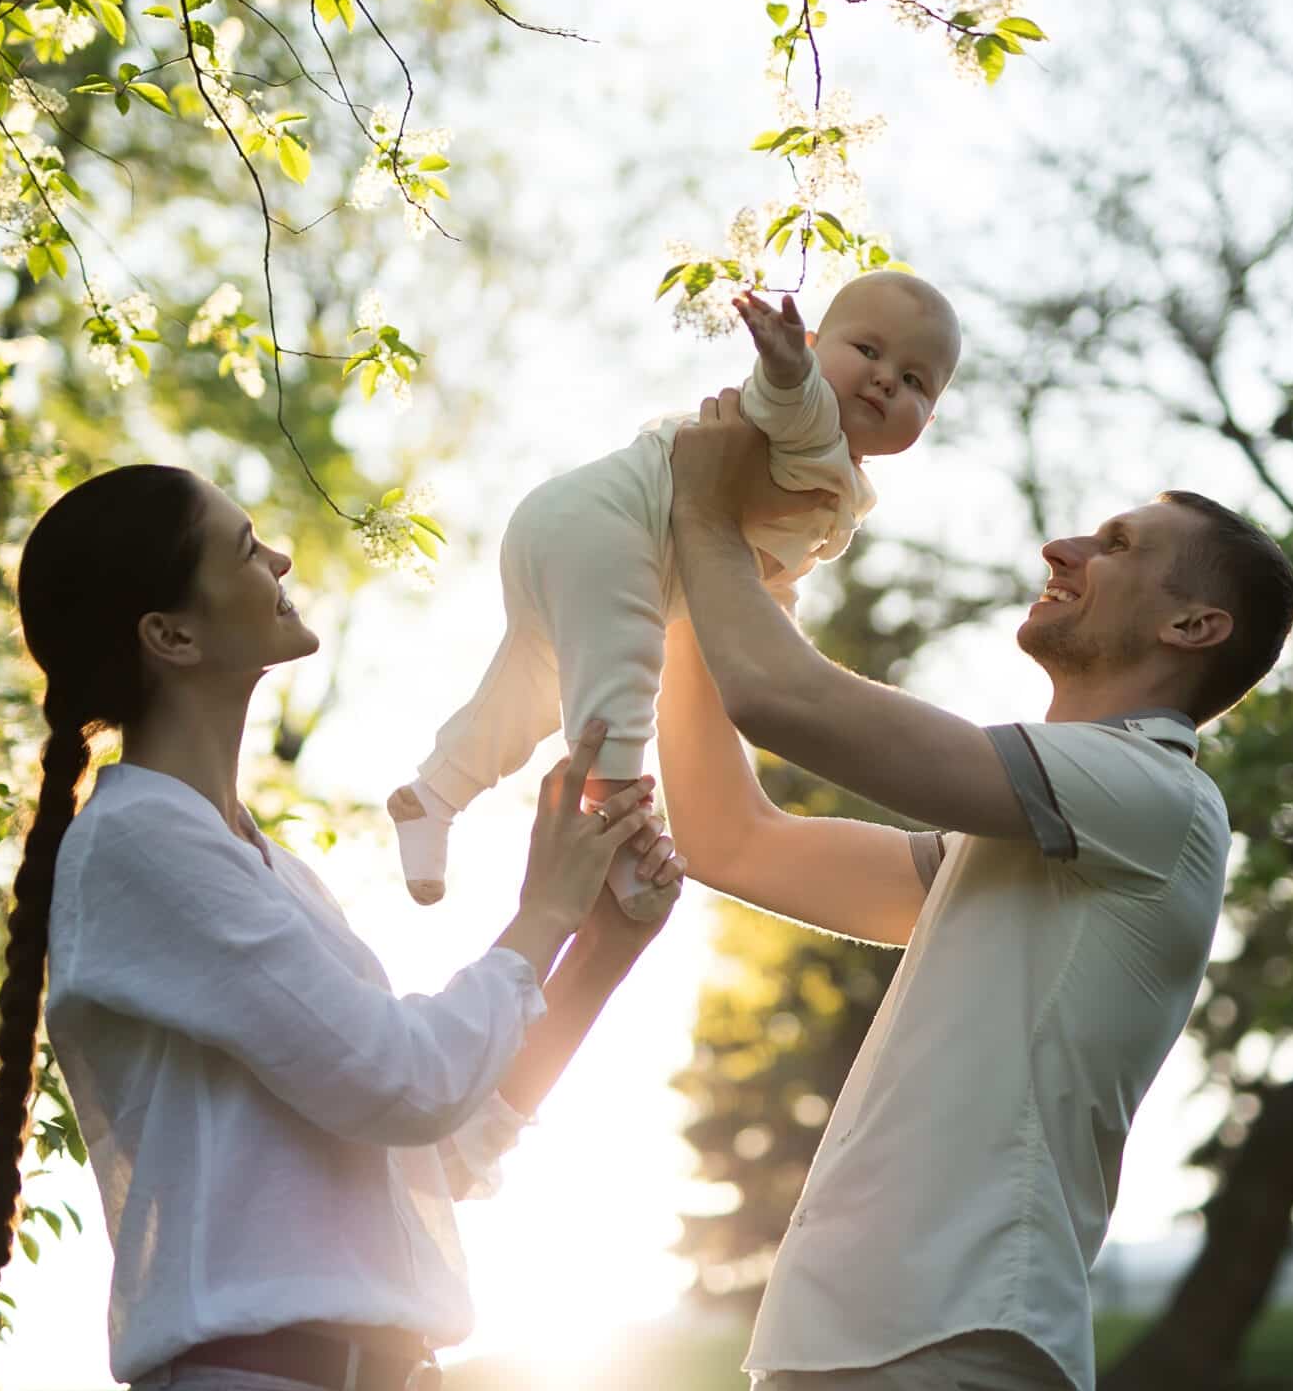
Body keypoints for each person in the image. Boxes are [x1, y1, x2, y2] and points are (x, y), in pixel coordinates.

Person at [0, 463, 685, 1391]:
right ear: (170, 635)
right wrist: (542, 911)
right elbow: (398, 1079)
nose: (280, 561)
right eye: (244, 545)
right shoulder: (138, 849)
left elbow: (433, 1144)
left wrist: (602, 947)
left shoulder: (254, 864)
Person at [658, 391, 1293, 1391]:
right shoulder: (997, 849)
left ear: (1196, 625)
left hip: (955, 1360)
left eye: (1115, 546)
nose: (1062, 549)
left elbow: (785, 701)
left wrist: (704, 517)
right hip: (806, 1374)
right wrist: (710, 581)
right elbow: (727, 841)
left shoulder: (1156, 800)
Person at [388, 272, 963, 914]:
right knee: (622, 681)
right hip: (610, 528)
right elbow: (788, 402)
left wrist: (780, 655)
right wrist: (787, 364)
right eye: (868, 350)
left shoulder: (842, 485)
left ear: (930, 417)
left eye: (914, 380)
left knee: (535, 691)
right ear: (816, 342)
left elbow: (762, 595)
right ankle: (618, 828)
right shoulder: (813, 423)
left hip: (568, 533)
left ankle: (434, 794)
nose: (886, 378)